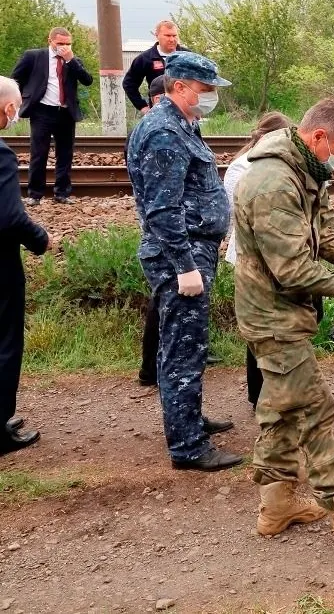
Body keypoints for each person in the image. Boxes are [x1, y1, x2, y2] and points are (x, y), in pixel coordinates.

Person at [233, 98, 334, 553]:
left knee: (282, 408)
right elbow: (292, 269)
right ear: (318, 136)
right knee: (313, 410)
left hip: (285, 310)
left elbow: (323, 229)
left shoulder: (305, 167)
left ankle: (277, 505)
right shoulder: (272, 182)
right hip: (270, 314)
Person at [126, 51, 242, 472]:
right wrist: (183, 265)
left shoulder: (182, 125)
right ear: (179, 87)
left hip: (194, 249)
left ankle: (188, 419)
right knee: (182, 350)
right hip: (181, 255)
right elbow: (161, 209)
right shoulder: (164, 133)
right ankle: (188, 446)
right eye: (205, 89)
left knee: (187, 345)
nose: (210, 97)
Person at [221, 111, 294, 407]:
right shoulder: (242, 168)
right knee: (261, 330)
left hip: (278, 255)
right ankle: (259, 395)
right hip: (252, 257)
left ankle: (280, 389)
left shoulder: (277, 165)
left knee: (281, 326)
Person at [0, 76, 49, 455]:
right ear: (7, 108)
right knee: (4, 342)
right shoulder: (1, 154)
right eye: (16, 106)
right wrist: (40, 239)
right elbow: (10, 218)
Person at [11, 27, 94, 206]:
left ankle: (62, 193)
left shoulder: (73, 60)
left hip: (65, 112)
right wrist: (22, 99)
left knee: (65, 153)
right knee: (39, 153)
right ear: (50, 41)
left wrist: (70, 60)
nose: (64, 47)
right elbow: (15, 79)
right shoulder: (33, 56)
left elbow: (87, 80)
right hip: (42, 110)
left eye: (67, 44)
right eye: (60, 44)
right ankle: (35, 194)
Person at [135, 76, 169, 388]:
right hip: (165, 241)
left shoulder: (163, 126)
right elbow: (162, 201)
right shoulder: (158, 131)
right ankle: (151, 367)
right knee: (163, 302)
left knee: (163, 302)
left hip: (163, 238)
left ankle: (154, 365)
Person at [122, 20, 188, 115]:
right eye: (167, 36)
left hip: (185, 111)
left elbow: (199, 81)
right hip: (159, 112)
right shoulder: (145, 59)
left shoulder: (187, 56)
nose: (172, 39)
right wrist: (142, 106)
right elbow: (129, 84)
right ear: (157, 36)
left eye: (174, 36)